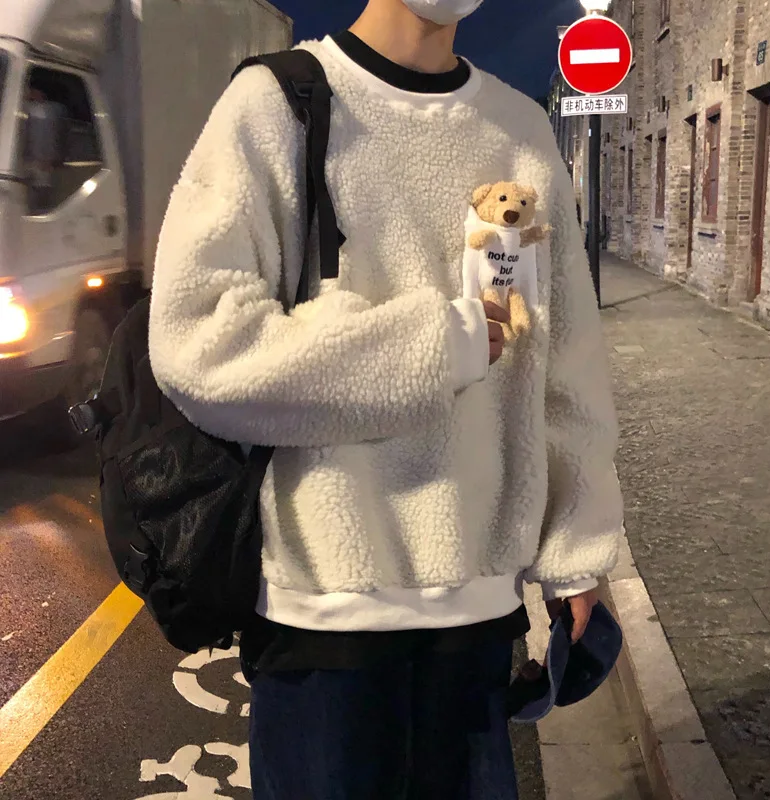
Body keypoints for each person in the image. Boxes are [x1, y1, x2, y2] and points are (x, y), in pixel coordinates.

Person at [149, 0, 624, 796]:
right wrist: (438, 347)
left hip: (479, 614)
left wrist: (575, 557)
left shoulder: (519, 129)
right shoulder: (278, 104)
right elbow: (199, 344)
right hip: (322, 612)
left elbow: (564, 363)